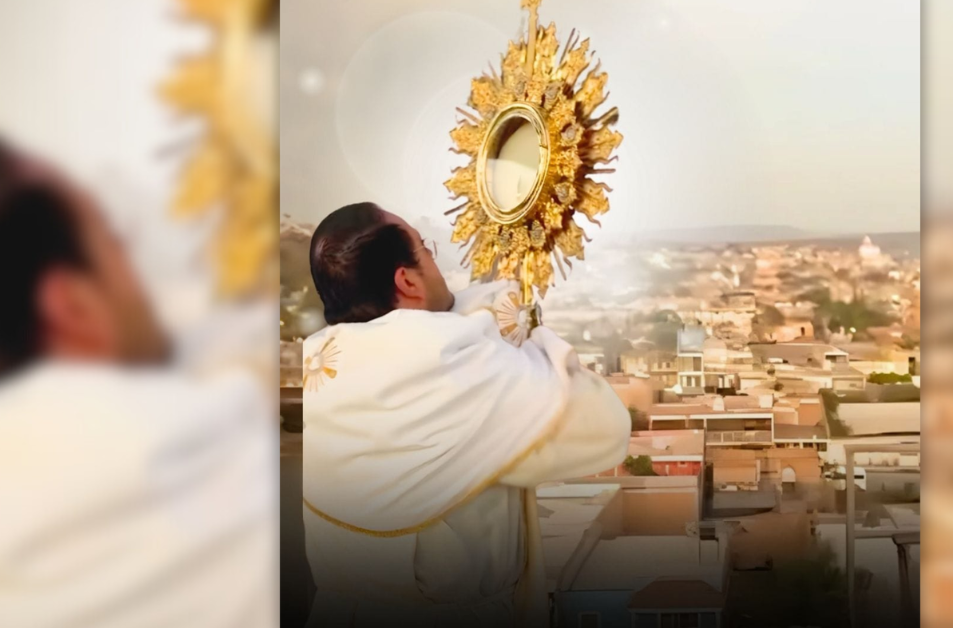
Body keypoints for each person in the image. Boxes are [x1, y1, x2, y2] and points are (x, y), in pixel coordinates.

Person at [302, 202, 631, 628]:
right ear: (406, 280)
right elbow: (602, 428)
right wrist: (523, 332)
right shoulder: (447, 370)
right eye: (427, 251)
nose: (438, 266)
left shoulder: (327, 361)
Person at [0, 142, 276, 628]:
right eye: (113, 238)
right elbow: (248, 382)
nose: (133, 256)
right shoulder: (193, 441)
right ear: (73, 308)